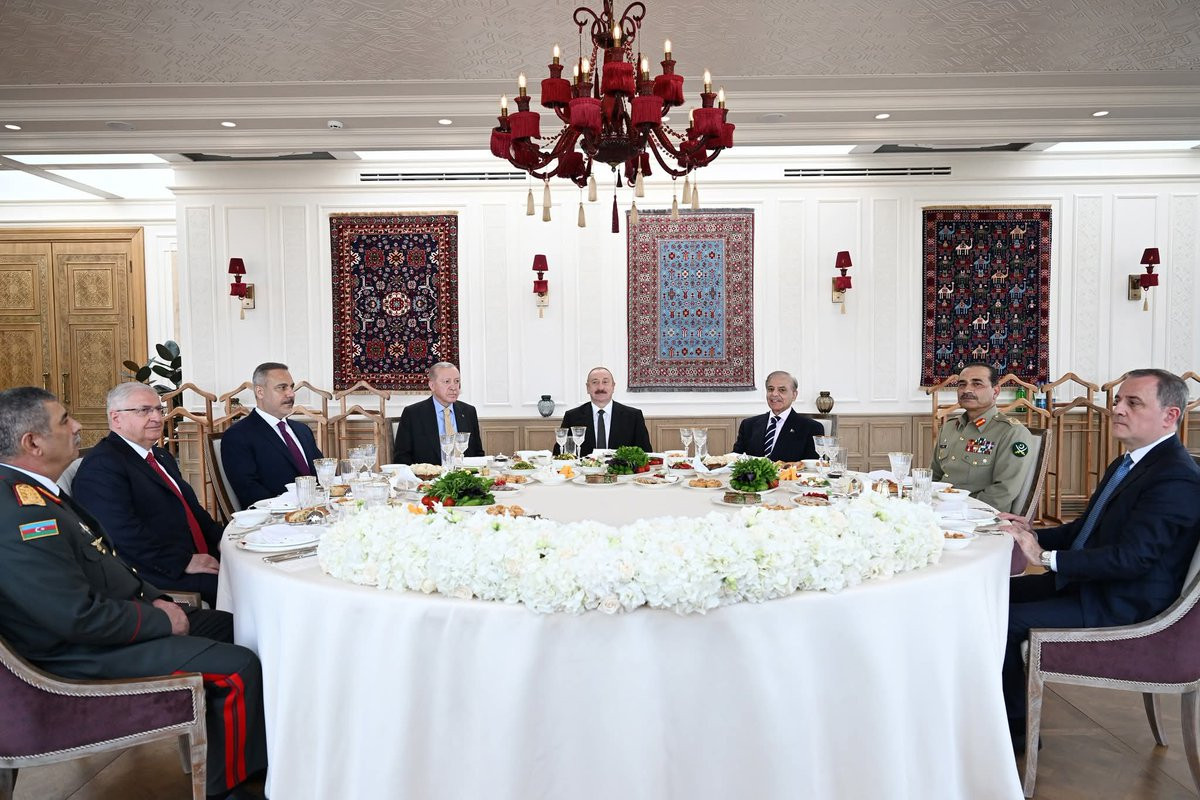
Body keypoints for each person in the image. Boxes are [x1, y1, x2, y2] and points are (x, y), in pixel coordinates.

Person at [0, 387, 267, 800]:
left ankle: (257, 750)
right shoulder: (19, 512)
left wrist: (157, 599)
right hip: (80, 654)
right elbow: (76, 617)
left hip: (120, 618)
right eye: (65, 420)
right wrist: (160, 618)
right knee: (238, 667)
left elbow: (108, 562)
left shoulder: (39, 491)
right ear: (33, 443)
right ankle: (229, 787)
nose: (77, 426)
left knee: (244, 628)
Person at [998, 369, 1200, 752]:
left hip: (1123, 604)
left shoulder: (1176, 478)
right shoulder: (1130, 463)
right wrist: (1030, 532)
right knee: (990, 596)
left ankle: (1015, 733)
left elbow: (1132, 560)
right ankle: (985, 710)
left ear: (1170, 415)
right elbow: (1086, 530)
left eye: (1133, 403)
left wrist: (1044, 557)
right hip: (1093, 585)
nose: (1117, 409)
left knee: (1000, 620)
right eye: (1118, 401)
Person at [73, 382, 224, 607]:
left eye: (158, 409)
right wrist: (183, 562)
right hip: (157, 572)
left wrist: (222, 540)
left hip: (195, 554)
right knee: (248, 588)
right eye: (144, 410)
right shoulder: (102, 465)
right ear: (116, 418)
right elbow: (121, 534)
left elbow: (192, 509)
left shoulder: (160, 456)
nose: (156, 418)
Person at [930, 362, 1037, 513]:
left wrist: (959, 510)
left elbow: (1003, 491)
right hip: (940, 510)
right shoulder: (949, 427)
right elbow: (934, 477)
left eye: (977, 384)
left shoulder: (1011, 432)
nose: (967, 390)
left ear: (995, 391)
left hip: (979, 516)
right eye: (962, 384)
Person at [221, 362, 323, 508]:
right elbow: (249, 491)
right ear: (260, 392)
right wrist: (294, 509)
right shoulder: (238, 436)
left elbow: (323, 472)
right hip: (276, 518)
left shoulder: (303, 430)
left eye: (291, 387)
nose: (291, 394)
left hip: (319, 512)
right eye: (282, 387)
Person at [392, 362, 485, 465]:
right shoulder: (413, 414)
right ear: (432, 386)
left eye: (457, 381)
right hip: (427, 475)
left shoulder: (469, 412)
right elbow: (401, 458)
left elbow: (478, 454)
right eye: (447, 381)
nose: (453, 387)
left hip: (465, 473)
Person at [557, 367, 652, 457]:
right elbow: (559, 454)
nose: (600, 387)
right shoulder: (572, 417)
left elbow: (645, 454)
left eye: (605, 382)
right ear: (588, 388)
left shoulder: (633, 417)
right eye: (595, 382)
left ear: (613, 386)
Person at [732, 370, 822, 461]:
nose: (774, 394)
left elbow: (814, 465)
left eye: (782, 390)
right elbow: (735, 460)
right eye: (770, 389)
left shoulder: (811, 428)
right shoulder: (748, 425)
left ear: (794, 395)